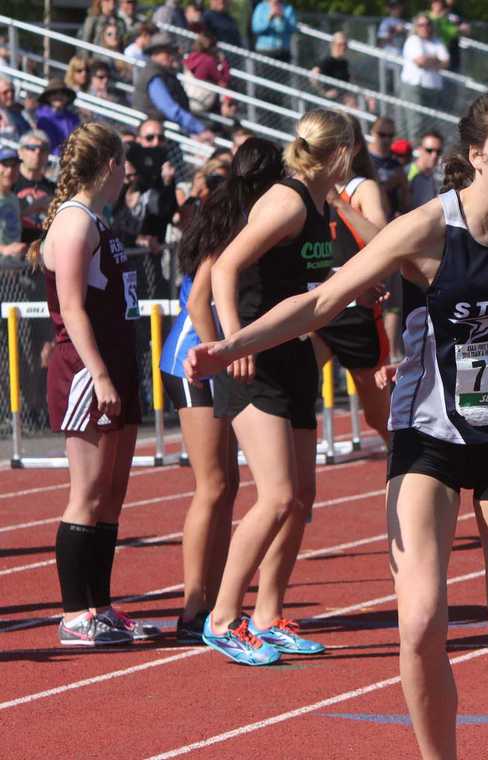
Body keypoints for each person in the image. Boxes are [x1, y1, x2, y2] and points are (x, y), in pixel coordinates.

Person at [186, 87, 488, 760]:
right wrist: (232, 345)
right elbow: (323, 300)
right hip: (429, 439)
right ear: (477, 156)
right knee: (420, 619)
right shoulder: (425, 228)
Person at [197, 109, 354, 666]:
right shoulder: (286, 201)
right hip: (256, 362)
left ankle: (268, 614)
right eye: (352, 150)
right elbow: (224, 269)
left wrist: (350, 291)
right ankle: (221, 619)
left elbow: (301, 282)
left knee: (301, 498)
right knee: (278, 494)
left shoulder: (318, 204)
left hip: (294, 358)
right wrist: (233, 342)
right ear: (338, 154)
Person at [27, 122, 159, 645]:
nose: (126, 173)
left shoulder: (95, 220)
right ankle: (74, 613)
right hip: (87, 370)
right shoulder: (75, 223)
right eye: (123, 163)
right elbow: (72, 309)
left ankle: (100, 606)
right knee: (86, 492)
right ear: (109, 166)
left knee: (112, 494)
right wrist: (100, 373)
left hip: (116, 364)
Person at [161, 138, 283, 642]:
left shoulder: (250, 216)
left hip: (212, 356)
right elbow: (196, 302)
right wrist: (221, 352)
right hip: (194, 358)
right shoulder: (235, 223)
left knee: (228, 485)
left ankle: (211, 599)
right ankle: (194, 605)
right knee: (212, 485)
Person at [309, 115, 392, 447]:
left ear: (354, 147)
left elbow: (383, 239)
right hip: (318, 305)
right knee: (293, 383)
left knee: (378, 416)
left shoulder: (362, 188)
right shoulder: (309, 187)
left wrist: (337, 203)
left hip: (357, 310)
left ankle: (412, 468)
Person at [133, 35, 215, 141]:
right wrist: (199, 129)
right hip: (157, 134)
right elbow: (169, 108)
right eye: (167, 52)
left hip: (167, 133)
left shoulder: (162, 73)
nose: (172, 56)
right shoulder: (153, 75)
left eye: (172, 52)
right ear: (155, 54)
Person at [400, 14, 449, 139]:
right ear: (416, 27)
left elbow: (446, 63)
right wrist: (436, 59)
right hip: (415, 86)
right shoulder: (413, 40)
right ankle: (414, 152)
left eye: (427, 24)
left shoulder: (437, 41)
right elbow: (420, 62)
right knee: (416, 123)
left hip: (433, 88)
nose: (425, 27)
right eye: (421, 25)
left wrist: (429, 60)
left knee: (431, 124)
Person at [13, 131, 55, 246]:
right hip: (12, 250)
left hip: (42, 252)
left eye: (44, 149)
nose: (38, 152)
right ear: (20, 152)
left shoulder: (54, 189)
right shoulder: (8, 182)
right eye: (32, 148)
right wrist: (33, 207)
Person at [183, 32, 231, 115]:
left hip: (186, 97)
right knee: (223, 88)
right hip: (200, 103)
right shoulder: (208, 61)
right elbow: (223, 80)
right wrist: (224, 63)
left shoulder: (190, 56)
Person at [36, 80, 82, 155]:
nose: (59, 96)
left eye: (63, 93)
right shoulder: (40, 116)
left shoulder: (73, 119)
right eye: (54, 93)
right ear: (48, 97)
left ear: (67, 98)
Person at [407, 129, 444, 209]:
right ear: (419, 150)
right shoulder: (408, 173)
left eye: (438, 152)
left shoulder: (432, 176)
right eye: (429, 150)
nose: (434, 155)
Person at [310, 32, 351, 101]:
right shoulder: (326, 62)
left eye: (345, 45)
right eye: (340, 44)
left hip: (342, 99)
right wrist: (324, 93)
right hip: (329, 101)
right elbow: (313, 76)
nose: (343, 47)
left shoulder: (345, 63)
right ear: (332, 45)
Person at [0, 148, 25, 258]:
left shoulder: (14, 198)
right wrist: (4, 249)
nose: (10, 170)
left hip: (11, 270)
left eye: (14, 165)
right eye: (5, 164)